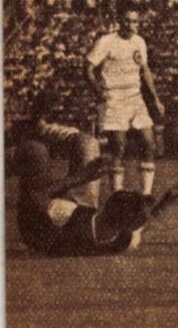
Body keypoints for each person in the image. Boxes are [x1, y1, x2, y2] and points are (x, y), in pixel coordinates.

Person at [8, 105, 147, 256]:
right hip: (76, 216)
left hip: (38, 223)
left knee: (35, 151)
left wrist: (80, 178)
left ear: (107, 206)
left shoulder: (67, 214)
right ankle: (42, 128)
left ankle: (37, 129)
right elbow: (143, 218)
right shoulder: (125, 240)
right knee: (88, 143)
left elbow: (36, 197)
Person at [86, 10, 165, 204]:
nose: (131, 25)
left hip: (135, 98)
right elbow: (87, 68)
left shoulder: (139, 42)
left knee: (149, 143)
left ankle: (146, 195)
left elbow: (145, 70)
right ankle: (117, 196)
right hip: (114, 98)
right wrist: (99, 92)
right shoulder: (106, 41)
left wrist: (155, 99)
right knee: (118, 146)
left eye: (135, 22)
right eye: (127, 21)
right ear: (120, 21)